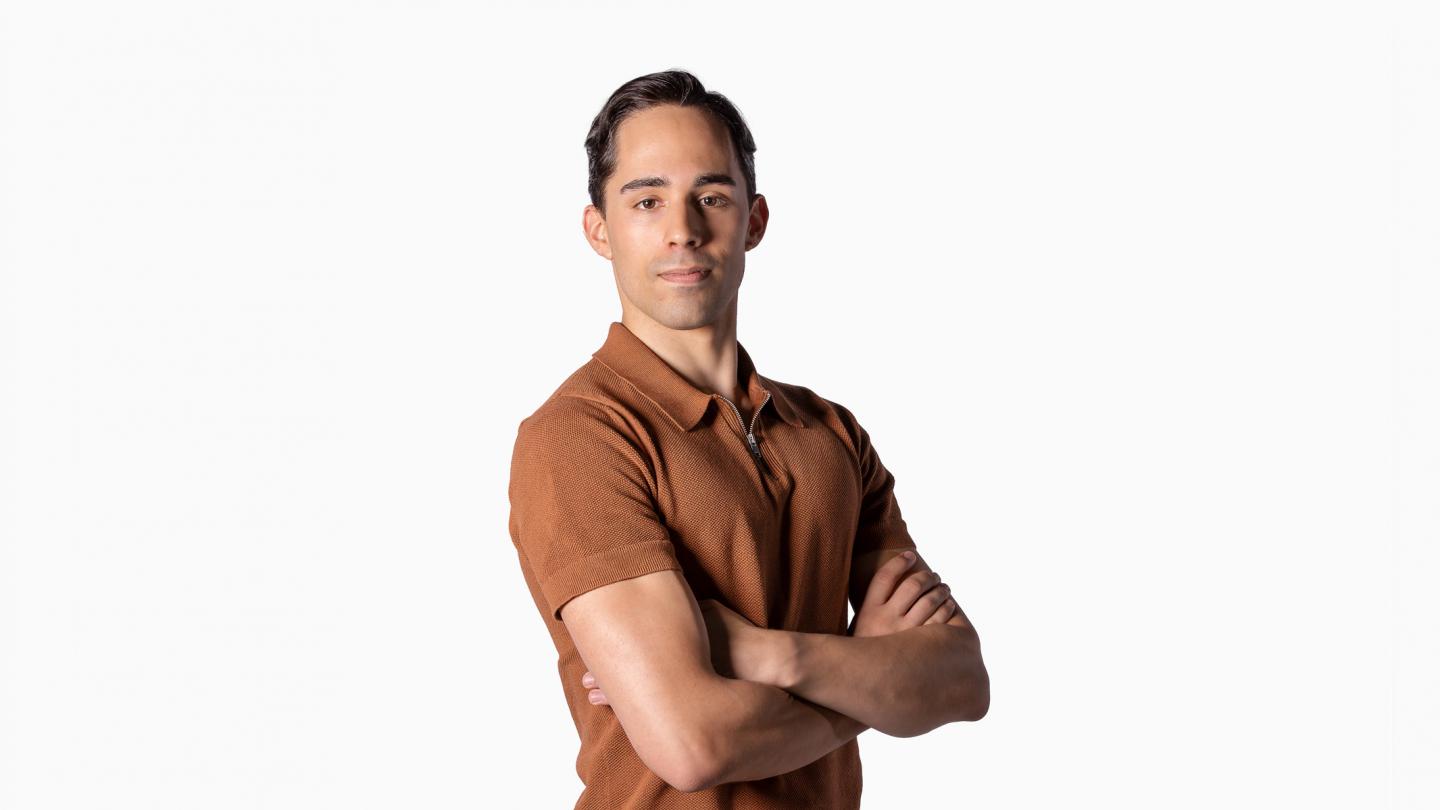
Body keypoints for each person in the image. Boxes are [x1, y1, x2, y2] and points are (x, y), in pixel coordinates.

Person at [506, 69, 989, 808]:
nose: (683, 229)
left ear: (755, 220)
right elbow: (692, 743)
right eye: (647, 199)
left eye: (711, 196)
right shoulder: (582, 435)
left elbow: (959, 681)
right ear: (598, 229)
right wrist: (870, 676)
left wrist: (770, 653)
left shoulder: (830, 432)